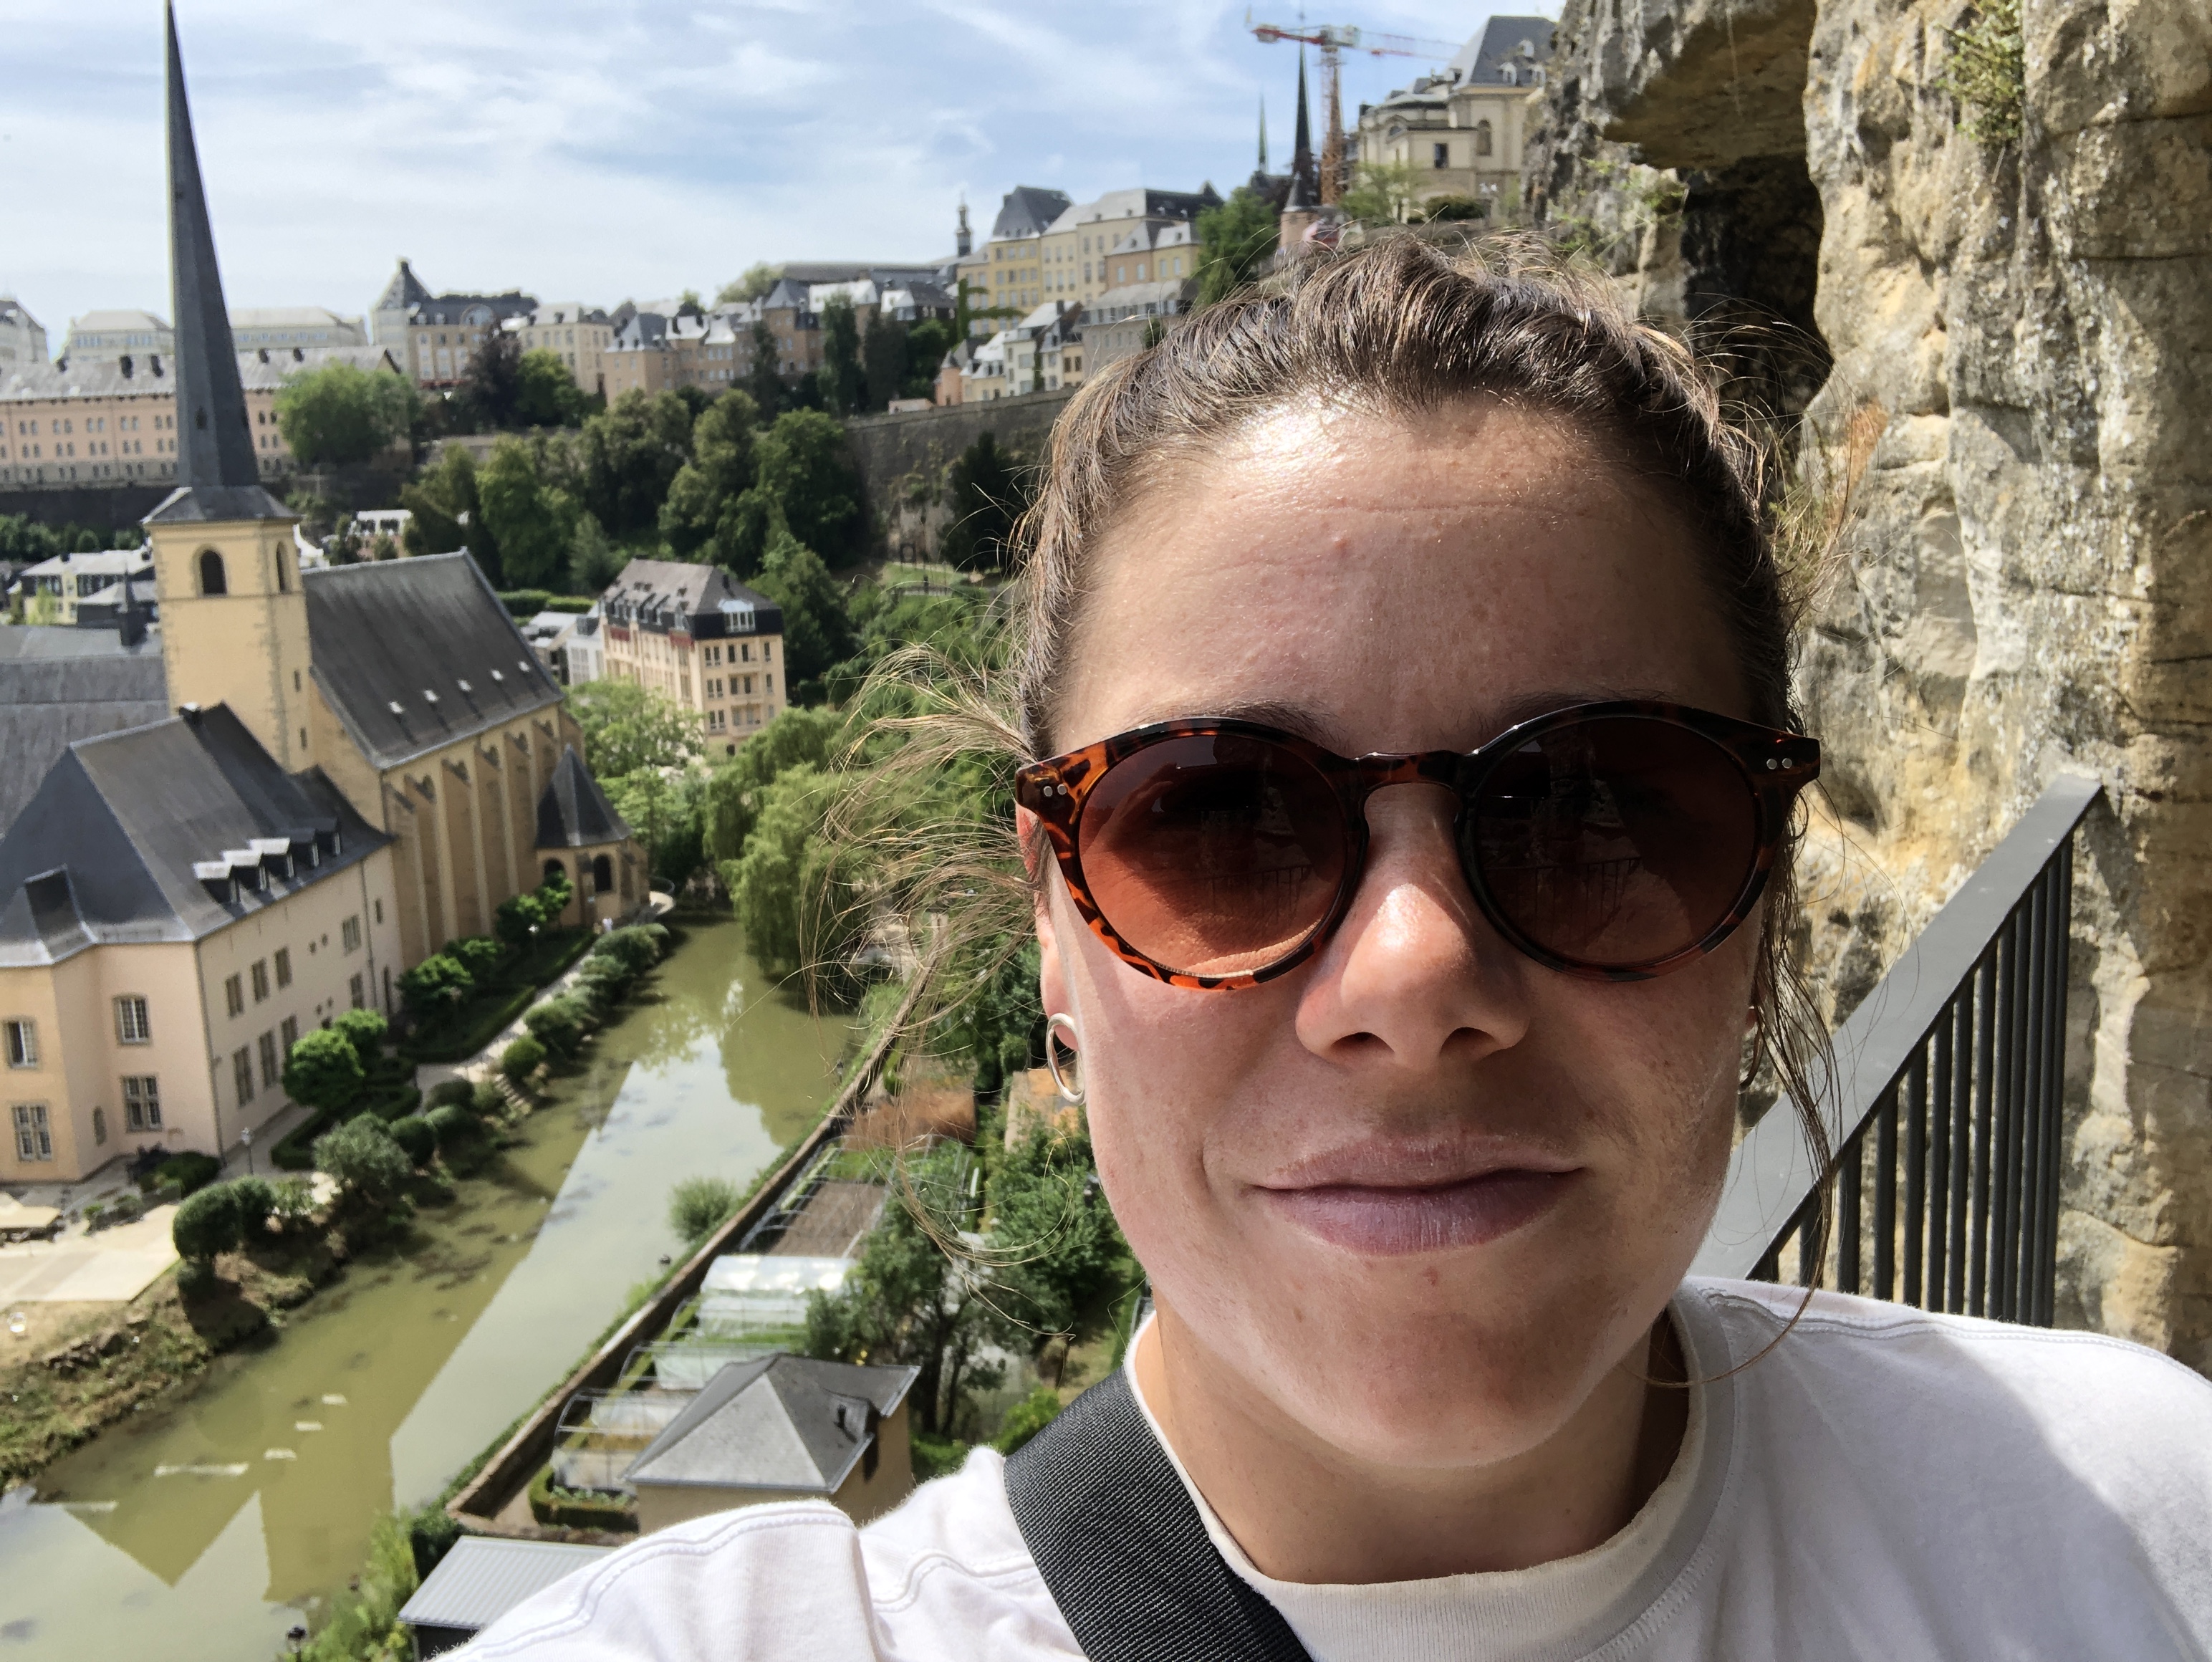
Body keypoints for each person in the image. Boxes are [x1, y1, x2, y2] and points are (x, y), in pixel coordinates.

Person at [467, 239, 2212, 1659]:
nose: (1410, 975)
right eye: (1218, 820)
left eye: (1595, 806)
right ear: (1055, 929)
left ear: (1762, 894)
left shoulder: (2144, 1518)